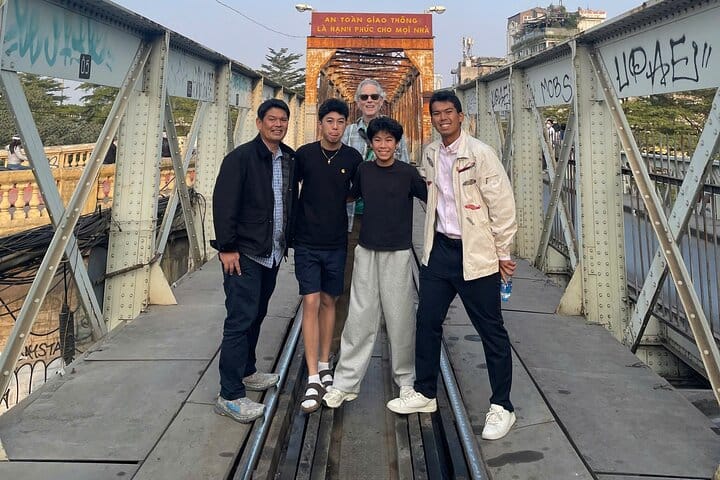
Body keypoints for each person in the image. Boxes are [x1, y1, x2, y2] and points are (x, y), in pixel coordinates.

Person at [386, 90, 518, 441]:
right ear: (431, 119)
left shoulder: (481, 154)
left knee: (491, 329)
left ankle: (502, 406)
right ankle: (425, 391)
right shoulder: (431, 153)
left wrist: (503, 253)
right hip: (440, 250)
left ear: (461, 116)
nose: (443, 118)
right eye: (436, 113)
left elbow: (503, 206)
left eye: (449, 112)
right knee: (427, 320)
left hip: (476, 253)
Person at [323, 117, 427, 409]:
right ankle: (345, 383)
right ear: (370, 143)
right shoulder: (364, 171)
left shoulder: (408, 173)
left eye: (389, 140)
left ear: (397, 144)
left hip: (398, 251)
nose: (383, 145)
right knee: (359, 316)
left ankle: (406, 381)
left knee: (400, 317)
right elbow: (344, 195)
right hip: (367, 249)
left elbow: (435, 199)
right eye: (378, 140)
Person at [210, 98, 296, 423]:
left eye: (283, 120)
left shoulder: (288, 158)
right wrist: (227, 247)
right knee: (239, 320)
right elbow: (223, 203)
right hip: (244, 253)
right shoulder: (240, 158)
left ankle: (247, 371)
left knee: (257, 314)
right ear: (259, 123)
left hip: (271, 252)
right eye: (272, 119)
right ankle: (229, 395)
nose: (278, 124)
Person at [292, 98, 362, 413]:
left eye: (340, 122)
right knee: (310, 301)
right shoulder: (304, 155)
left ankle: (324, 364)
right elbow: (289, 190)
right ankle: (311, 376)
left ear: (346, 125)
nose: (335, 127)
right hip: (307, 241)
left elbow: (355, 192)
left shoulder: (352, 157)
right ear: (320, 123)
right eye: (329, 121)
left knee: (329, 301)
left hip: (336, 240)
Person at [342, 78, 410, 231]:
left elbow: (404, 171)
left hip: (386, 213)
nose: (369, 101)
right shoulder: (347, 133)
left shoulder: (395, 131)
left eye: (374, 96)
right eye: (364, 97)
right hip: (353, 214)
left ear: (381, 101)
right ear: (358, 102)